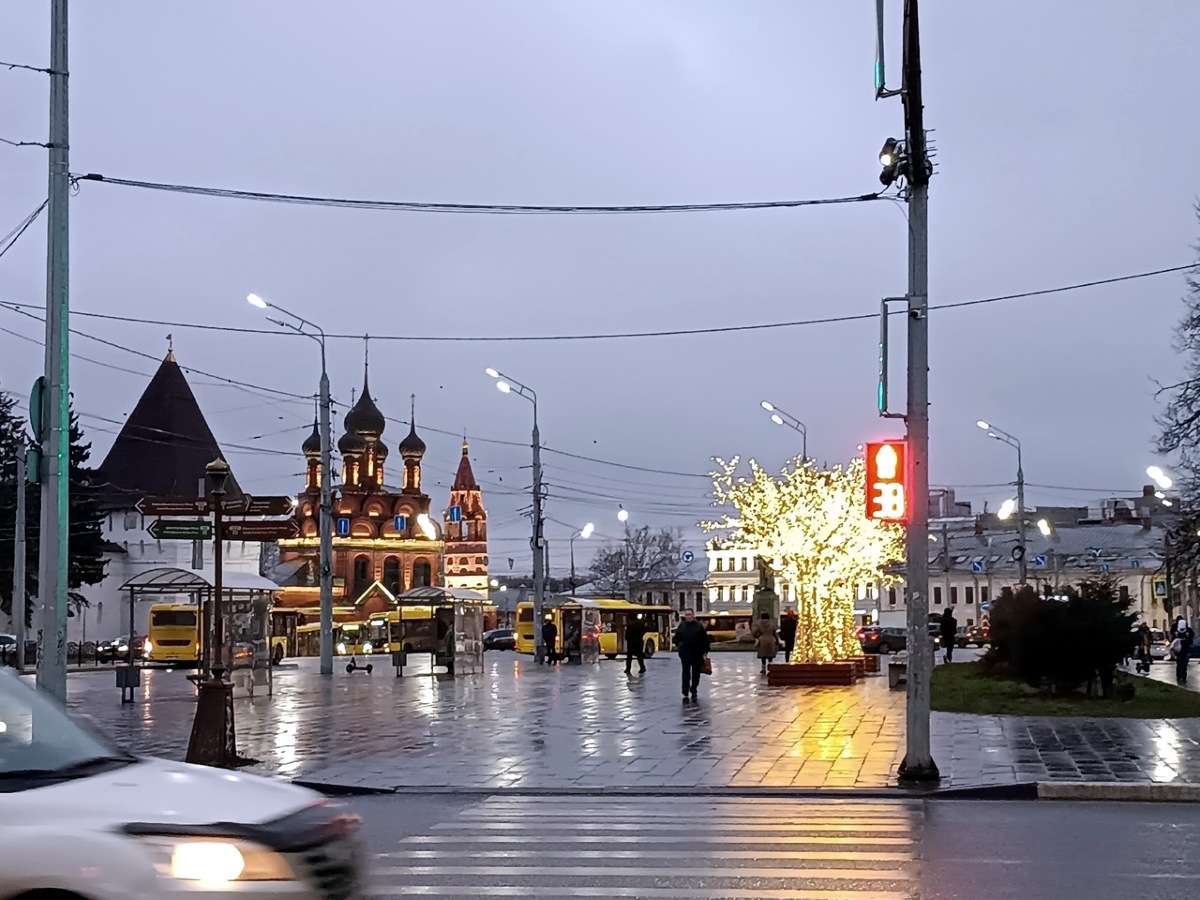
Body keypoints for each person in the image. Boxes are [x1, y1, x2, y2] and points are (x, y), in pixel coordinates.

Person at [673, 608, 711, 701]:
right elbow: (676, 638)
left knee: (696, 673)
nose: (688, 617)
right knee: (685, 672)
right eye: (686, 615)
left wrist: (705, 651)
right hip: (685, 653)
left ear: (693, 615)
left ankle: (693, 689)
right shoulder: (682, 626)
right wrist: (679, 646)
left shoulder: (698, 626)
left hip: (697, 653)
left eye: (690, 614)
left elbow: (704, 640)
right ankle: (685, 690)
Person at [1173, 620, 1194, 685]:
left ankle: (1182, 676)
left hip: (1182, 650)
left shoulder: (1177, 632)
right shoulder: (1188, 631)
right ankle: (1181, 676)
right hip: (1181, 650)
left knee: (1182, 664)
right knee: (1181, 664)